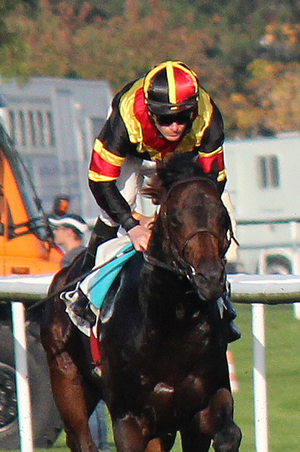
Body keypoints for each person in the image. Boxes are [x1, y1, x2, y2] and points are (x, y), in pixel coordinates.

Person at [60, 61, 231, 334]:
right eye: (165, 118)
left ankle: (221, 300)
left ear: (194, 111)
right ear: (151, 112)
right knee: (119, 204)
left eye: (183, 116)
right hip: (133, 151)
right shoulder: (126, 118)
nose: (175, 126)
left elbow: (215, 182)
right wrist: (133, 226)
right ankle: (85, 290)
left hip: (181, 156)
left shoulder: (207, 118)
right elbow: (100, 182)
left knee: (201, 212)